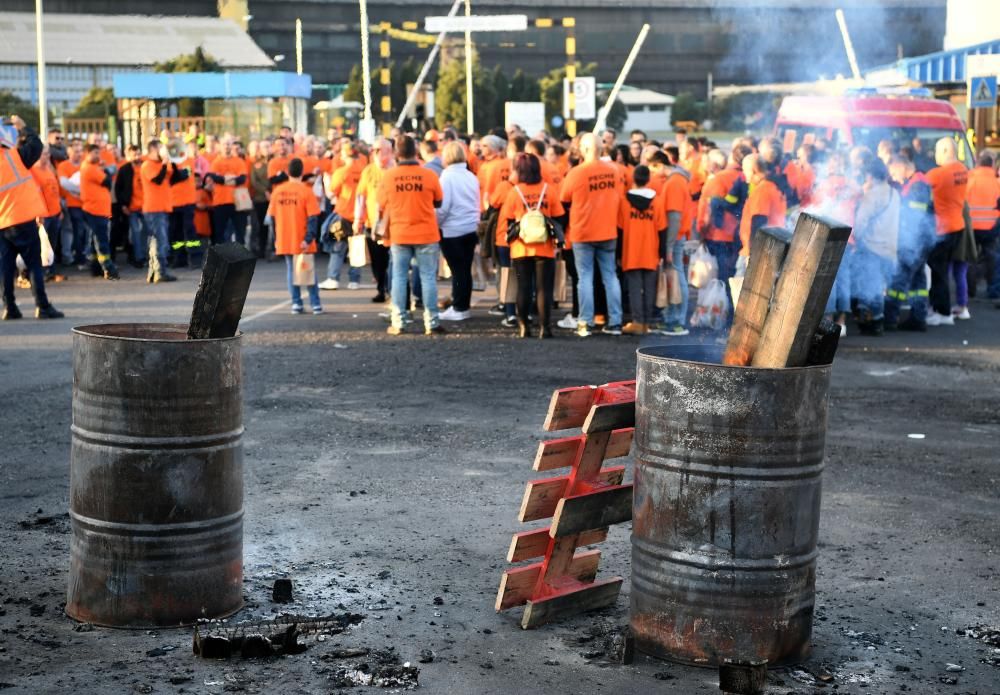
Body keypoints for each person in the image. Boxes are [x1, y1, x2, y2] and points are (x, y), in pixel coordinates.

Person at [377, 135, 445, 336]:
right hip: (426, 232)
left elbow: (381, 204)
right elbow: (438, 202)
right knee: (427, 277)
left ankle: (399, 322)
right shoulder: (429, 175)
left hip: (400, 233)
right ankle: (431, 322)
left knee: (398, 277)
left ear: (396, 153)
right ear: (415, 152)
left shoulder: (389, 177)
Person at [559, 132, 623, 337]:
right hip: (608, 230)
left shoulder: (576, 173)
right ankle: (615, 322)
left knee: (584, 277)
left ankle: (585, 322)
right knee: (610, 277)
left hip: (582, 231)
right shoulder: (613, 171)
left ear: (584, 149)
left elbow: (564, 198)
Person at [0, 115, 63, 320]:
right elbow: (36, 144)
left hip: (2, 223)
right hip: (23, 218)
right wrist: (22, 126)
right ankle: (42, 306)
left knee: (6, 268)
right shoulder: (14, 157)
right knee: (34, 265)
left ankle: (10, 308)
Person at [500, 152, 565, 338]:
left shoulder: (514, 192)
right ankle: (545, 328)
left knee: (523, 287)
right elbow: (559, 216)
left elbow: (508, 220)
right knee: (544, 288)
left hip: (521, 247)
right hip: (544, 247)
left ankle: (524, 327)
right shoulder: (549, 189)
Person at [850, 158, 900, 336]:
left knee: (870, 285)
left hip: (872, 247)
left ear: (870, 176)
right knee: (880, 286)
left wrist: (857, 238)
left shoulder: (871, 196)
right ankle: (879, 319)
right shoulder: (894, 194)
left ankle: (872, 322)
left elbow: (860, 222)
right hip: (890, 248)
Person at [885, 155, 935, 331]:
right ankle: (918, 317)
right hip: (921, 241)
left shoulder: (917, 185)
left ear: (901, 166)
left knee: (899, 280)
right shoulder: (917, 182)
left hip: (914, 242)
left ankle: (889, 317)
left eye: (893, 172)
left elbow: (914, 218)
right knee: (918, 282)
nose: (892, 177)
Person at [268, 158, 322, 315]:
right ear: (302, 172)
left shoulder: (277, 191)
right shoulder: (306, 190)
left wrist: (276, 239)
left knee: (291, 270)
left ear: (287, 172)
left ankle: (296, 303)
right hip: (302, 238)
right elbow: (313, 218)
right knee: (308, 270)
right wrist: (308, 238)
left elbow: (272, 218)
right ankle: (315, 304)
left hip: (285, 238)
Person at [648, 150, 694, 336]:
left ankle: (676, 320)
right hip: (678, 235)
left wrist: (667, 245)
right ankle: (672, 317)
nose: (652, 173)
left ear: (659, 165)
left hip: (674, 236)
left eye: (652, 168)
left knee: (676, 275)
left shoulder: (674, 183)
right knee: (676, 275)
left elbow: (674, 217)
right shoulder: (678, 180)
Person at [924, 138, 969, 326]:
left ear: (944, 150)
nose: (934, 154)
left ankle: (942, 312)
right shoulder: (963, 170)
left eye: (936, 150)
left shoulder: (937, 174)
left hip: (942, 229)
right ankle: (940, 309)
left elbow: (920, 187)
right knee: (943, 270)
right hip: (958, 225)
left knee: (939, 271)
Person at [436, 141, 481, 322]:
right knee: (464, 269)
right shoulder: (471, 176)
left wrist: (436, 223)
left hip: (452, 230)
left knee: (458, 271)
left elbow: (443, 208)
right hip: (470, 227)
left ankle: (459, 307)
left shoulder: (446, 178)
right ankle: (462, 305)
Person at [618, 165, 666, 335]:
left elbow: (620, 229)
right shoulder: (657, 201)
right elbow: (662, 229)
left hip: (631, 250)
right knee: (649, 287)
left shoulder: (625, 201)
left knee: (634, 287)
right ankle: (647, 322)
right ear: (648, 180)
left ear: (634, 179)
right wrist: (662, 253)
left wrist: (618, 254)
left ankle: (637, 321)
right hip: (650, 249)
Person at [699, 147, 744, 310]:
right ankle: (729, 314)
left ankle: (722, 314)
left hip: (719, 235)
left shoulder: (718, 179)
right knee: (734, 278)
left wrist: (702, 231)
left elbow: (708, 209)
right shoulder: (745, 178)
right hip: (739, 235)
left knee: (721, 279)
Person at [321, 140, 365, 290]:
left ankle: (333, 278)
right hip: (360, 216)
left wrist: (326, 180)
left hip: (343, 214)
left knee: (337, 247)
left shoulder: (341, 172)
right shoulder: (365, 170)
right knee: (357, 249)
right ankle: (354, 280)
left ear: (345, 155)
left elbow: (332, 192)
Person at [140, 139, 186, 283]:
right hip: (154, 209)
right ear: (153, 149)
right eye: (160, 147)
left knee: (157, 242)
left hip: (163, 208)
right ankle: (160, 272)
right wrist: (165, 164)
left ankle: (154, 272)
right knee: (160, 241)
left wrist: (172, 162)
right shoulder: (147, 165)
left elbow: (176, 179)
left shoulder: (162, 165)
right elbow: (158, 180)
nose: (163, 150)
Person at [355, 137, 394, 303]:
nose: (376, 153)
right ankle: (381, 288)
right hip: (374, 223)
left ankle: (392, 290)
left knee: (393, 259)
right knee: (377, 260)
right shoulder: (368, 171)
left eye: (380, 150)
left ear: (390, 151)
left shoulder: (395, 170)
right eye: (374, 150)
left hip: (393, 223)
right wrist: (358, 218)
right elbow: (361, 196)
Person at [78, 144, 119, 280]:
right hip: (95, 210)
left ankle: (96, 267)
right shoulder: (90, 168)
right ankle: (108, 268)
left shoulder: (92, 167)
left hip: (98, 209)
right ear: (87, 153)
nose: (98, 156)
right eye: (95, 153)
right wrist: (105, 170)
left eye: (98, 153)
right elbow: (107, 181)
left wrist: (102, 169)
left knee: (95, 240)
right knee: (101, 241)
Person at [966, 151, 1000, 300]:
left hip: (972, 225)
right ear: (991, 164)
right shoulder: (996, 181)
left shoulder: (969, 178)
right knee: (992, 257)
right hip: (992, 226)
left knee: (970, 258)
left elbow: (963, 201)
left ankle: (970, 289)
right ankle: (992, 289)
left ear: (978, 163)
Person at [207, 139, 250, 246]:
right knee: (220, 233)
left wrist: (224, 179)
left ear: (232, 146)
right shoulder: (216, 162)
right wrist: (231, 179)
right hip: (220, 201)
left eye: (229, 144)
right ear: (220, 146)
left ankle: (240, 257)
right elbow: (214, 178)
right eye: (224, 144)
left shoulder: (239, 161)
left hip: (237, 202)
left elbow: (242, 179)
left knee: (240, 232)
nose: (227, 146)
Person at [31, 148, 63, 276]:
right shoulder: (33, 171)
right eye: (44, 154)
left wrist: (60, 210)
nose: (47, 156)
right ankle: (42, 271)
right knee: (42, 244)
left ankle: (51, 269)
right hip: (43, 215)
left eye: (48, 154)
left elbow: (55, 191)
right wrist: (38, 213)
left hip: (55, 213)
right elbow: (34, 194)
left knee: (52, 243)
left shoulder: (49, 170)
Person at [169, 141, 200, 268]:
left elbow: (182, 175)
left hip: (187, 202)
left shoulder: (188, 161)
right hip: (173, 203)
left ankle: (195, 257)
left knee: (190, 230)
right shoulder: (170, 163)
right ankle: (179, 258)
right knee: (176, 232)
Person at [114, 144, 146, 268]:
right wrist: (123, 205)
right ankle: (139, 257)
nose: (137, 157)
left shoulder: (145, 166)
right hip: (131, 207)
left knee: (146, 232)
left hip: (146, 206)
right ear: (128, 156)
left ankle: (144, 255)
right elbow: (118, 189)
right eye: (134, 155)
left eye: (138, 154)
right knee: (135, 233)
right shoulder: (124, 169)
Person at [57, 138, 87, 267]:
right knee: (74, 230)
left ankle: (82, 254)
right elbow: (64, 183)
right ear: (69, 152)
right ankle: (71, 256)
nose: (78, 154)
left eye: (80, 151)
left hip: (86, 204)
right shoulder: (63, 166)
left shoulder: (85, 164)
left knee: (85, 231)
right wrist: (82, 191)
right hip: (72, 204)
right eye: (75, 151)